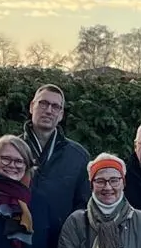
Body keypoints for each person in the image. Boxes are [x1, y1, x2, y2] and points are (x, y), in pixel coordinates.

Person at [22, 84, 91, 219]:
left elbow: (82, 207)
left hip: (61, 237)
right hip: (18, 235)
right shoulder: (12, 151)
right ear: (31, 106)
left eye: (55, 106)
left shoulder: (79, 156)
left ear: (61, 115)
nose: (49, 110)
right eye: (43, 103)